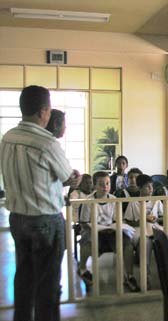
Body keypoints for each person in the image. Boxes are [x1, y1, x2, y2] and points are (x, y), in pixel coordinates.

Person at [0, 85, 79, 321]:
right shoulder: (47, 143)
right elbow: (67, 177)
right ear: (44, 111)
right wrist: (75, 177)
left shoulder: (7, 137)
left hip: (17, 218)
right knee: (48, 284)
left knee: (24, 277)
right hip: (45, 220)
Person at [78, 171, 139, 292]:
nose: (105, 187)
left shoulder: (114, 200)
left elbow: (118, 220)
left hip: (111, 231)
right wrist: (94, 229)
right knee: (86, 240)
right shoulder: (88, 201)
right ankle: (83, 269)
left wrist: (113, 227)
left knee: (127, 244)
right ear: (94, 186)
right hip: (94, 232)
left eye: (107, 183)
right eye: (101, 184)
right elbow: (84, 223)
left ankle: (130, 276)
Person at [124, 174, 163, 288]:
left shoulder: (156, 201)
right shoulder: (134, 202)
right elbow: (128, 220)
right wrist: (142, 220)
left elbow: (163, 215)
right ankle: (145, 276)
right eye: (147, 187)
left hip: (153, 229)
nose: (151, 189)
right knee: (145, 243)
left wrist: (156, 219)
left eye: (152, 186)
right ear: (140, 188)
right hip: (139, 230)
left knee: (164, 239)